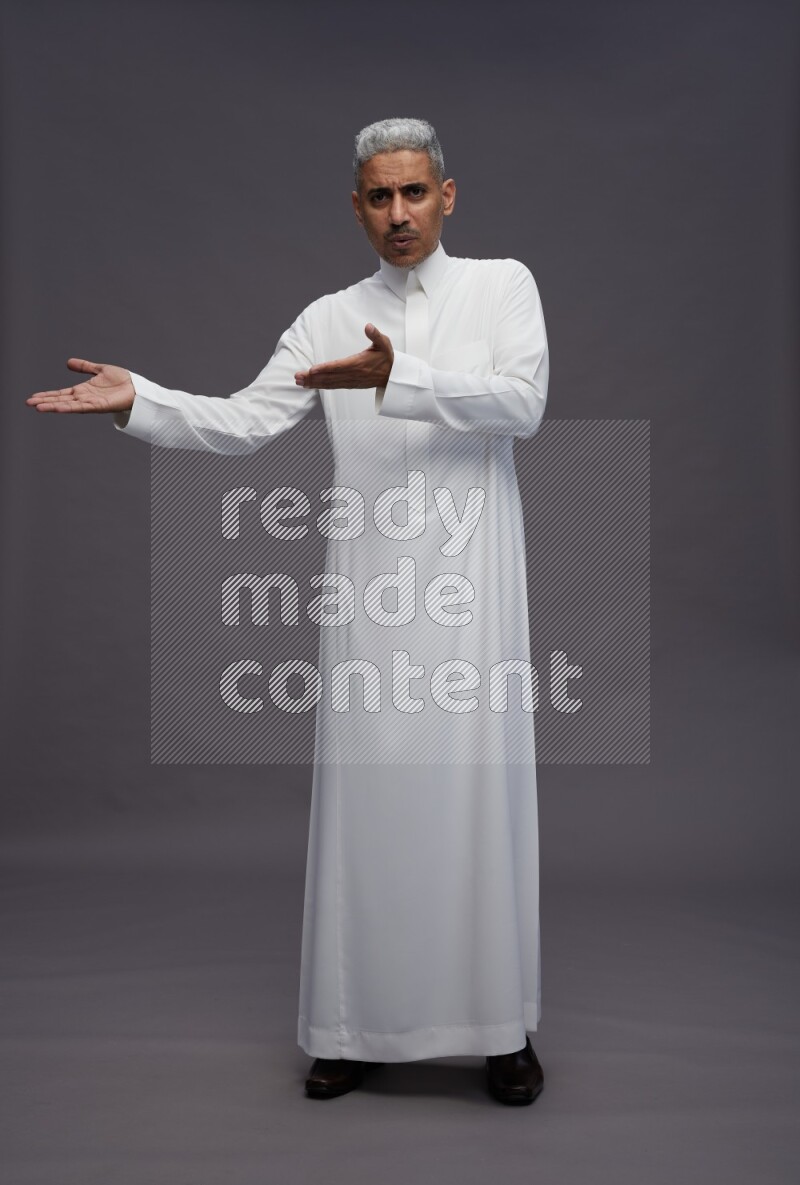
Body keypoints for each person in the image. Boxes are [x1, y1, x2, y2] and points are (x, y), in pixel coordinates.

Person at [26, 117, 549, 1106]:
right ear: (356, 208)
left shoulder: (501, 287)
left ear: (446, 196)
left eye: (414, 192)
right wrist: (140, 399)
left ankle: (498, 1031)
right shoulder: (327, 317)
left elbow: (521, 403)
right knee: (367, 813)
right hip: (369, 594)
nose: (398, 213)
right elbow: (244, 422)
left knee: (475, 805)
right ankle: (350, 1028)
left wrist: (401, 376)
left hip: (473, 594)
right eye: (379, 197)